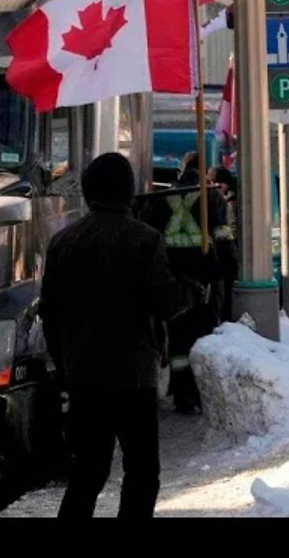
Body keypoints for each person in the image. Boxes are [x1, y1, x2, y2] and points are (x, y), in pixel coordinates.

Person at [40, 152, 202, 519]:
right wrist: (194, 287)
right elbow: (166, 302)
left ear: (88, 190)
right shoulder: (145, 240)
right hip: (134, 379)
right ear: (128, 191)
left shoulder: (64, 242)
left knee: (87, 473)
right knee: (142, 472)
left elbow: (50, 312)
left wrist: (64, 365)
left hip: (83, 377)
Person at [140, 152, 233, 414]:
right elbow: (223, 237)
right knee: (203, 335)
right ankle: (198, 391)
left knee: (178, 338)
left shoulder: (161, 199)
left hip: (172, 276)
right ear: (204, 172)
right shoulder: (212, 197)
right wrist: (225, 271)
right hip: (204, 276)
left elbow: (150, 236)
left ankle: (181, 392)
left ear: (183, 169)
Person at [209, 166, 240, 324]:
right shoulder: (224, 200)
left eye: (218, 185)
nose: (215, 188)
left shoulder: (232, 203)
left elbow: (231, 232)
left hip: (231, 257)